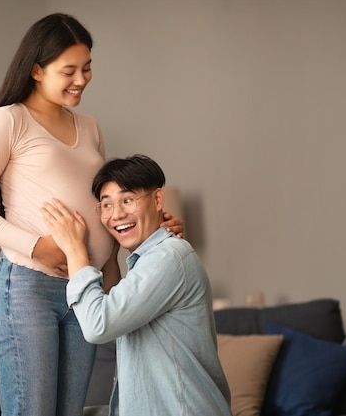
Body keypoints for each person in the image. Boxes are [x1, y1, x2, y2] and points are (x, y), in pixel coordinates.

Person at [0, 14, 184, 416]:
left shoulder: (90, 127)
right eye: (69, 70)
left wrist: (151, 233)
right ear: (37, 71)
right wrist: (35, 246)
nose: (81, 79)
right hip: (28, 288)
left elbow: (106, 207)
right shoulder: (9, 121)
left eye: (87, 67)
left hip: (87, 287)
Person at [41, 154, 232, 416]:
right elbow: (115, 302)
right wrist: (108, 251)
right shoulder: (148, 260)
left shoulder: (169, 257)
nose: (117, 214)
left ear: (157, 200)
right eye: (106, 205)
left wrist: (75, 249)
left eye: (127, 200)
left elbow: (99, 324)